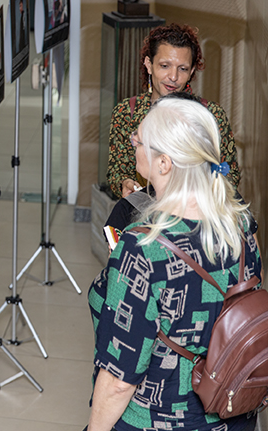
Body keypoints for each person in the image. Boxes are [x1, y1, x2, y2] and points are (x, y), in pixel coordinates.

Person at [87, 96, 260, 431]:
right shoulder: (240, 225)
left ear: (164, 163)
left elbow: (120, 379)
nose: (134, 144)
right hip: (234, 413)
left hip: (158, 419)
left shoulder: (143, 247)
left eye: (140, 141)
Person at [106, 23, 240, 200]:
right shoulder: (126, 112)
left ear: (192, 70)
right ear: (149, 64)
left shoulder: (211, 115)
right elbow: (117, 169)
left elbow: (230, 176)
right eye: (164, 66)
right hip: (141, 216)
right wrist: (125, 183)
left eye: (182, 69)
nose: (173, 77)